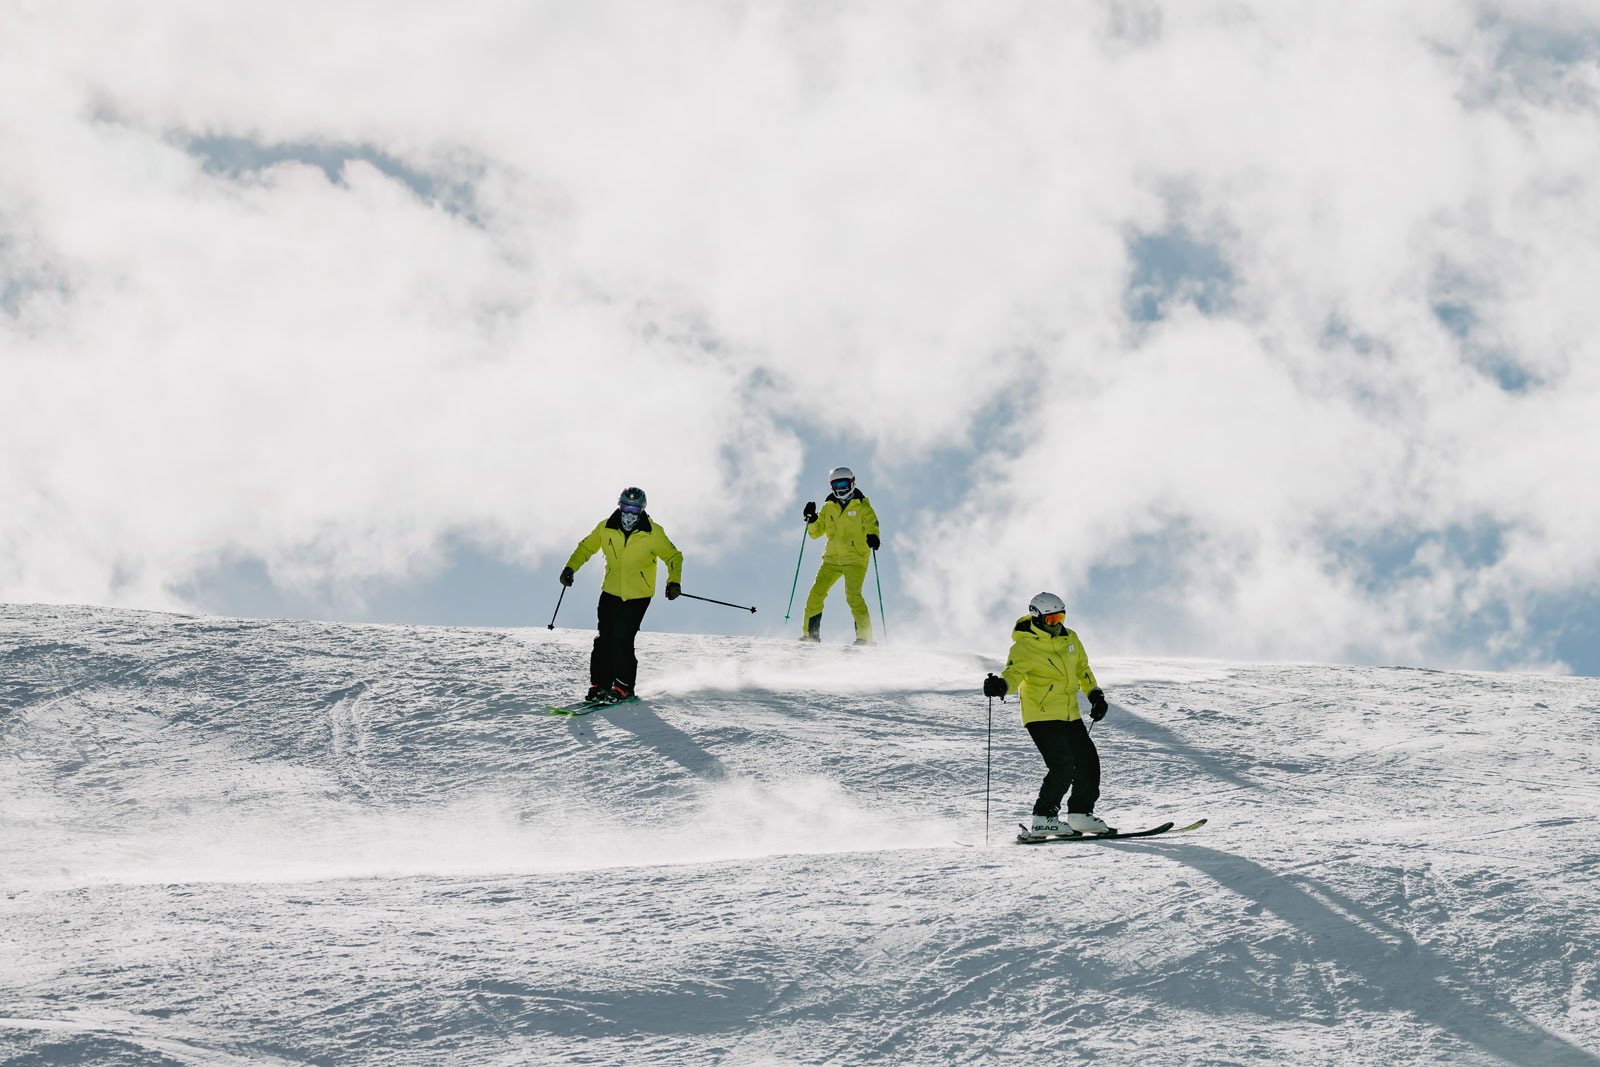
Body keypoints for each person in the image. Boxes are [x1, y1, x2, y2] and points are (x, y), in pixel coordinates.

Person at [983, 592, 1113, 839]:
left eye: (1060, 617)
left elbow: (1082, 669)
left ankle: (1080, 815)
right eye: (1051, 620)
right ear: (1037, 618)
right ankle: (1044, 818)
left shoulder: (1070, 638)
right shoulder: (1024, 646)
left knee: (1088, 761)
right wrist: (1001, 686)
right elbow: (1014, 673)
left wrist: (1095, 695)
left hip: (1069, 714)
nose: (1057, 625)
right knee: (1062, 763)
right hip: (1041, 715)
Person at [560, 487, 683, 704]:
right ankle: (600, 685)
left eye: (634, 510)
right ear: (619, 506)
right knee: (604, 640)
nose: (629, 514)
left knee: (622, 638)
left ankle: (624, 686)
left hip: (638, 596)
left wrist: (673, 581)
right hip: (610, 592)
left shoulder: (653, 533)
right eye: (625, 507)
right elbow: (585, 548)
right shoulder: (606, 527)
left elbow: (674, 556)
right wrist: (570, 568)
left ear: (642, 510)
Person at [799, 465, 881, 645]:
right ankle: (811, 635)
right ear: (832, 486)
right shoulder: (829, 507)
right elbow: (815, 533)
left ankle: (865, 638)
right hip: (832, 559)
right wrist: (812, 519)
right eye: (836, 485)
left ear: (851, 483)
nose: (840, 489)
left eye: (844, 484)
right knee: (816, 594)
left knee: (853, 596)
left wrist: (873, 536)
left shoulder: (862, 505)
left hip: (855, 559)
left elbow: (871, 523)